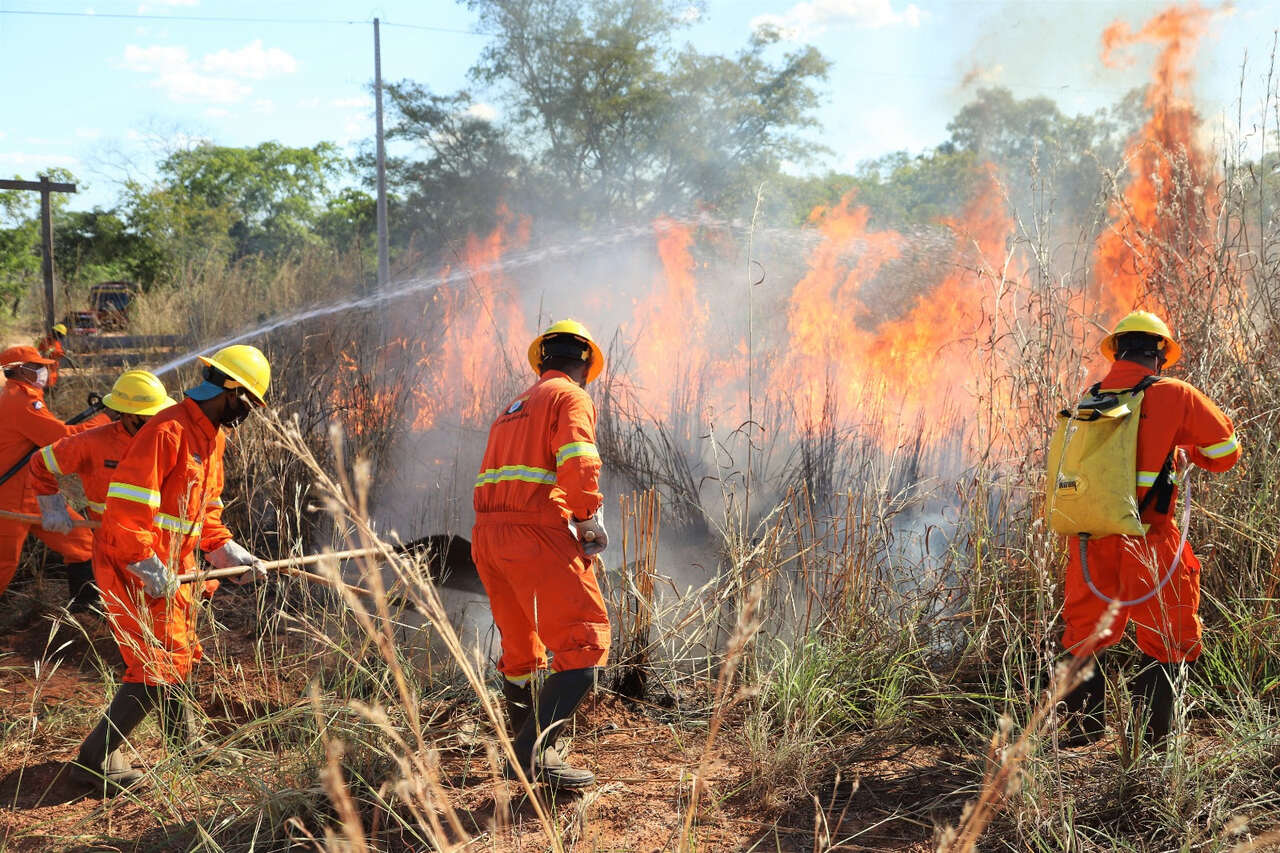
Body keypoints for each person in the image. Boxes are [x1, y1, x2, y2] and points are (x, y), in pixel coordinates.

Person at [68, 344, 272, 795]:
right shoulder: (168, 430)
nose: (249, 413)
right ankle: (95, 759)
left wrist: (225, 552)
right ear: (231, 391)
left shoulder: (213, 438)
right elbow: (126, 508)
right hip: (134, 562)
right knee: (156, 662)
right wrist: (144, 561)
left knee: (179, 654)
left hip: (172, 566)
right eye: (249, 403)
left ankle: (185, 745)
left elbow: (206, 514)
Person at [1058, 311, 1240, 746]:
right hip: (1149, 539)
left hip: (1091, 536)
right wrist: (1184, 450)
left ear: (1117, 350)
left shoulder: (1091, 396)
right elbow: (1227, 451)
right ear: (1159, 353)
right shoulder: (1175, 393)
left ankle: (1081, 735)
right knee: (1168, 634)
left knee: (1084, 630)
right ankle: (1151, 745)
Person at [472, 319, 611, 789]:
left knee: (521, 654)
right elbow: (579, 458)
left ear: (542, 361)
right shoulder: (570, 397)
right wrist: (587, 517)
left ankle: (523, 745)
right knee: (586, 643)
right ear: (585, 364)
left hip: (489, 540)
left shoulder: (510, 409)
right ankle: (533, 752)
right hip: (537, 536)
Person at [27, 370, 177, 612]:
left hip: (157, 540)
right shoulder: (92, 443)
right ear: (128, 415)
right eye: (149, 416)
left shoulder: (166, 438)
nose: (157, 422)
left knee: (166, 609)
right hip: (111, 543)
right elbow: (40, 462)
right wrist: (52, 506)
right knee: (125, 609)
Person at [0, 345, 110, 608]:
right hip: (10, 499)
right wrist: (106, 419)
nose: (43, 371)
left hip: (35, 494)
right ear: (18, 370)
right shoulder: (20, 401)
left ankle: (86, 612)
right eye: (36, 366)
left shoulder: (22, 396)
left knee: (82, 543)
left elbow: (52, 433)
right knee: (3, 566)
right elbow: (64, 439)